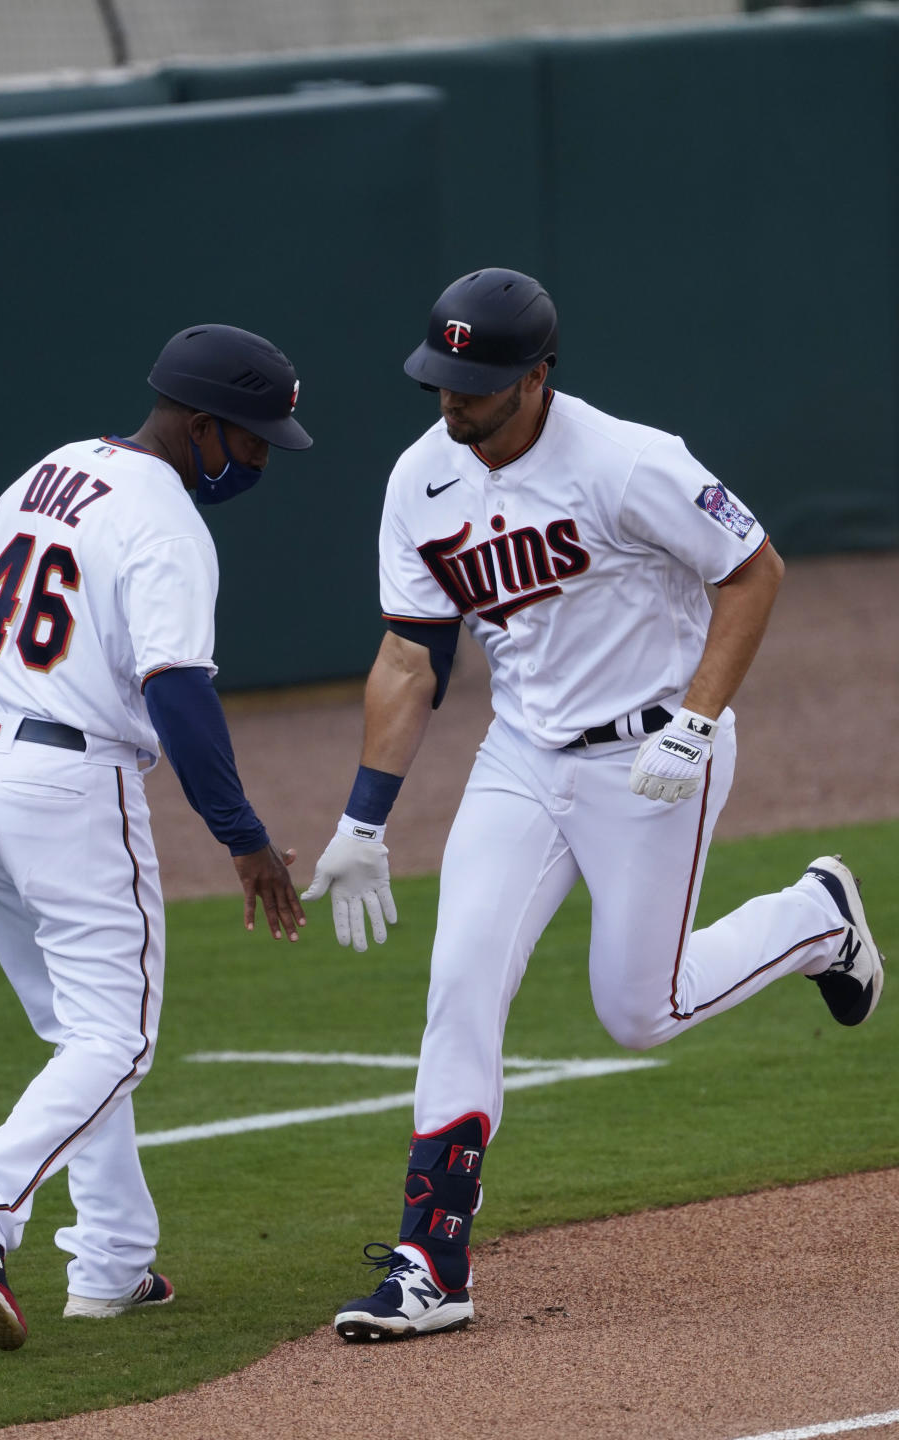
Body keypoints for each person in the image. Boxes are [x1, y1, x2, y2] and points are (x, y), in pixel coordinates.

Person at [300, 268, 884, 1342]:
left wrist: (699, 722)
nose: (453, 402)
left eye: (476, 384)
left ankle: (817, 920)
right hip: (521, 756)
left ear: (539, 376)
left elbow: (754, 572)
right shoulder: (420, 479)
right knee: (461, 979)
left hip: (653, 756)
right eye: (442, 379)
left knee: (637, 1012)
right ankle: (433, 1263)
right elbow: (406, 652)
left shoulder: (627, 462)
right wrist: (363, 819)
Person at [0, 323, 311, 1350]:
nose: (261, 458)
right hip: (65, 785)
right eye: (252, 438)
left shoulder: (50, 470)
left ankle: (110, 1262)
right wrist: (244, 837)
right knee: (118, 1037)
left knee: (79, 1034)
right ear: (200, 427)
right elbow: (177, 693)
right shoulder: (167, 525)